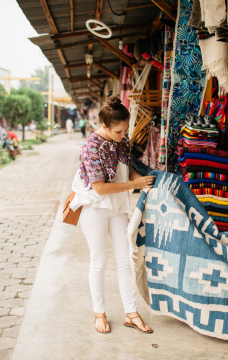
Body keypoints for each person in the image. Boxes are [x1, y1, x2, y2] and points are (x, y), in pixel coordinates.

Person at [69, 96, 156, 334]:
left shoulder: (122, 142)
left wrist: (145, 183)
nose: (123, 135)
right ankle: (100, 313)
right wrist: (134, 187)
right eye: (119, 131)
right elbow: (100, 188)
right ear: (105, 127)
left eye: (125, 130)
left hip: (117, 207)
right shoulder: (91, 146)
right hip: (94, 208)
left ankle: (131, 313)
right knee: (99, 261)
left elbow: (126, 174)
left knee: (125, 260)